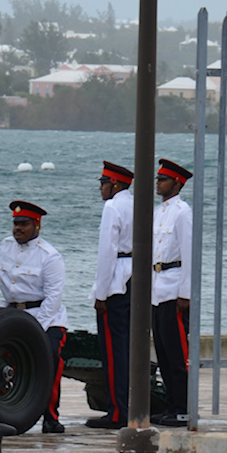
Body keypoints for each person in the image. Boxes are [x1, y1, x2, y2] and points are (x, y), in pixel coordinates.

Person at [0, 199, 69, 433]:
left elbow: (53, 299)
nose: (18, 229)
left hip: (44, 319)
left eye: (24, 224)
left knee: (50, 359)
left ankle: (50, 417)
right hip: (11, 314)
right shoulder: (5, 248)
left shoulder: (49, 257)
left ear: (37, 226)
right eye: (15, 224)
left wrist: (35, 330)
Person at [86, 161, 134, 430]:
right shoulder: (135, 204)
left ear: (114, 185)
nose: (101, 189)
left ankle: (117, 412)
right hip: (134, 278)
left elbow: (107, 253)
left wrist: (101, 294)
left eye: (103, 184)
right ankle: (126, 407)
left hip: (116, 282)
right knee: (126, 349)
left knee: (114, 352)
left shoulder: (113, 207)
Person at [150, 158, 193, 428]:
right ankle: (171, 404)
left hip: (174, 286)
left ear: (177, 183)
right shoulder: (159, 212)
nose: (158, 183)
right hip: (158, 285)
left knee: (177, 354)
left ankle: (183, 407)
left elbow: (189, 253)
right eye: (158, 179)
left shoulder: (182, 212)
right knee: (164, 353)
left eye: (163, 180)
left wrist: (185, 293)